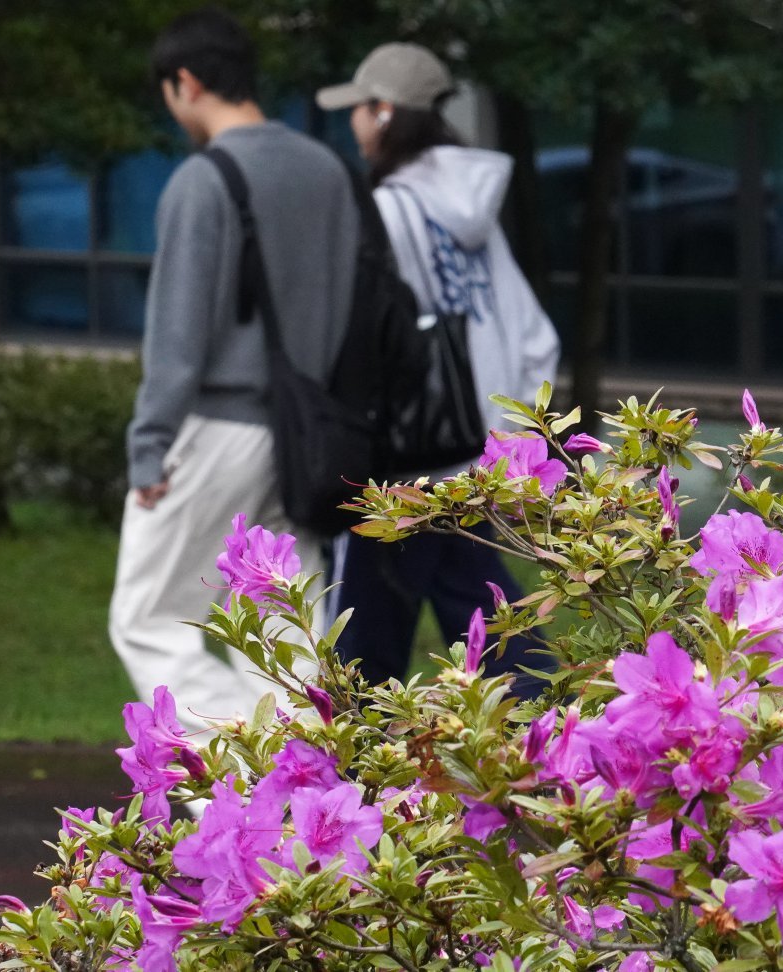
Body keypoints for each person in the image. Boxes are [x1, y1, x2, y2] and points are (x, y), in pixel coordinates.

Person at [109, 8, 362, 733]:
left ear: (185, 82)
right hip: (309, 439)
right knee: (288, 633)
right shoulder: (328, 171)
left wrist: (149, 444)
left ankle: (242, 764)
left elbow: (179, 336)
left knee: (147, 616)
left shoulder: (204, 179)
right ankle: (306, 782)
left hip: (218, 427)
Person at [316, 43, 560, 692]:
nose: (354, 125)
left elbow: (370, 333)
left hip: (415, 454)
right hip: (484, 446)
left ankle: (353, 767)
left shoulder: (391, 208)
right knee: (480, 607)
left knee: (365, 638)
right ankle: (553, 735)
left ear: (386, 112)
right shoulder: (470, 207)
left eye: (361, 109)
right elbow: (535, 334)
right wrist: (515, 433)